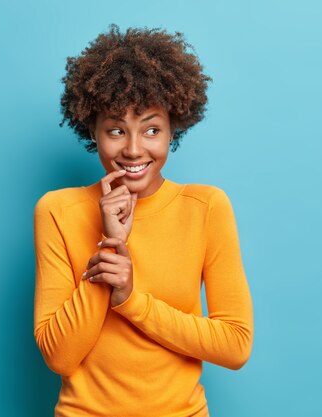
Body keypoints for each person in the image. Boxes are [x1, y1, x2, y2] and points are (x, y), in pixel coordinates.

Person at [33, 23, 254, 417]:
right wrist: (110, 245)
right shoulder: (57, 210)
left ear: (173, 130)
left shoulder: (206, 207)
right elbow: (60, 357)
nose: (134, 150)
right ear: (93, 131)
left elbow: (235, 345)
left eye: (151, 129)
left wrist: (132, 302)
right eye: (116, 130)